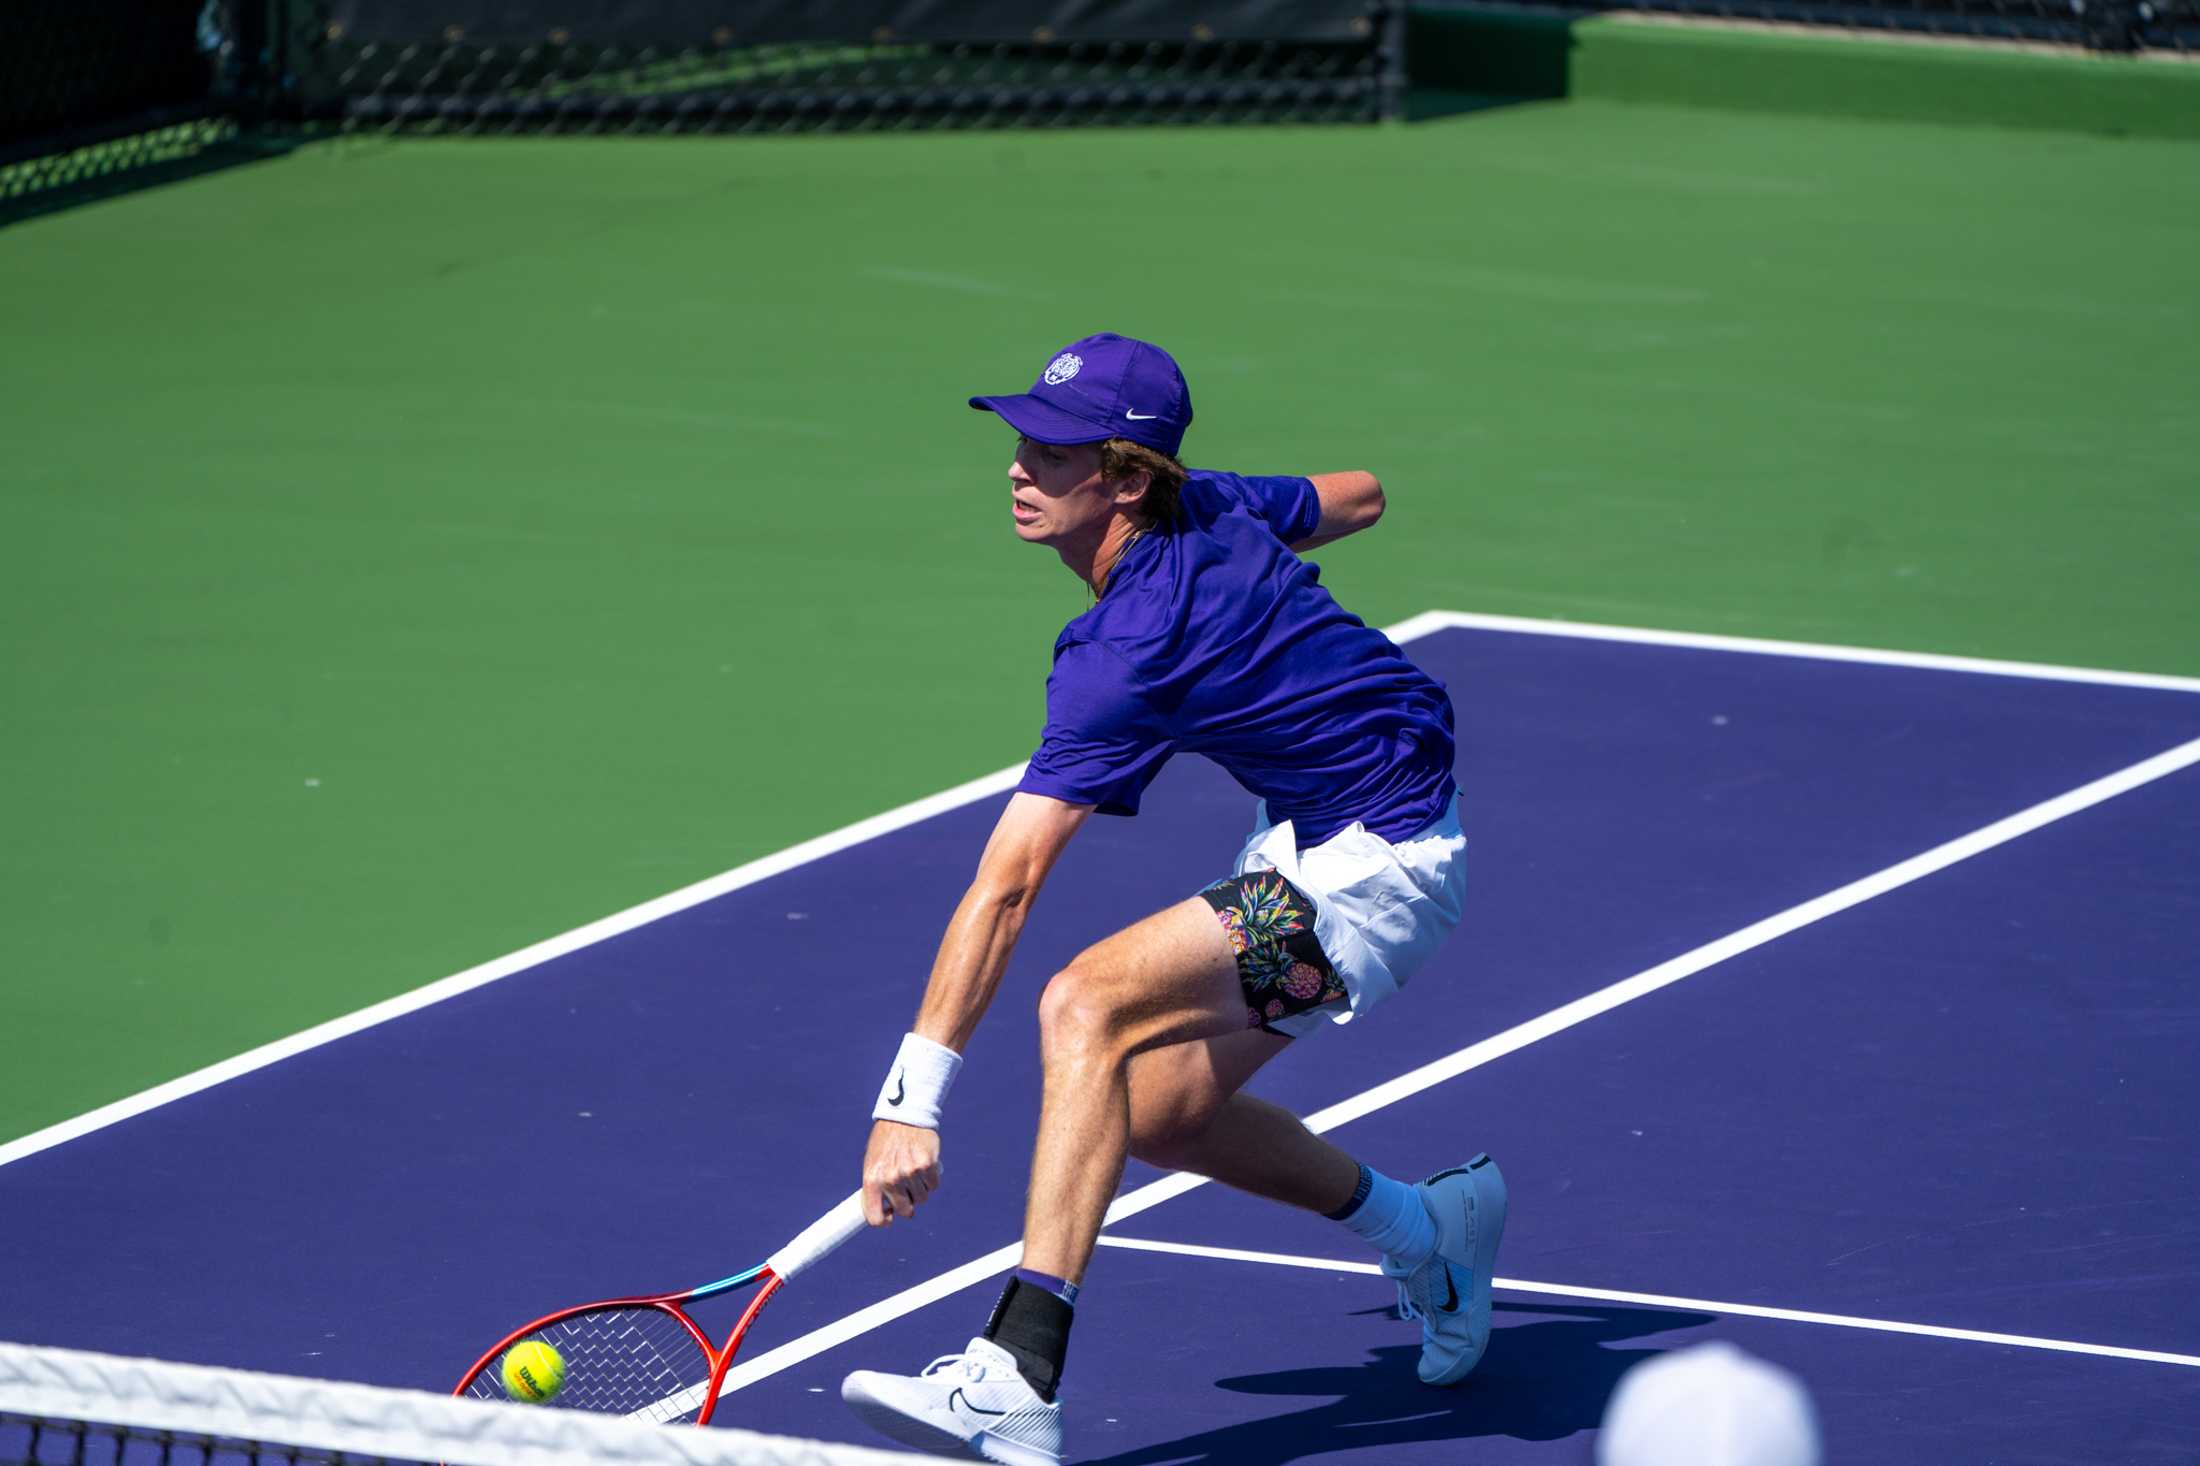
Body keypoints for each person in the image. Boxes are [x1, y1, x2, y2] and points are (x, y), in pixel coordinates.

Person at [840, 333, 1504, 1466]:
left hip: (1372, 874)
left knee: (1084, 1000)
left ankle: (1013, 1374)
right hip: (1309, 855)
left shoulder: (1122, 651)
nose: (1017, 466)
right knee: (1160, 1109)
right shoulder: (1218, 507)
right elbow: (1362, 494)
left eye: (1051, 452)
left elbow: (1006, 889)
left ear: (1129, 478)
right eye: (1019, 441)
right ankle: (1426, 1228)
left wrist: (913, 1097)